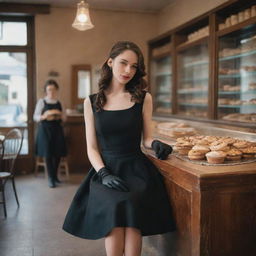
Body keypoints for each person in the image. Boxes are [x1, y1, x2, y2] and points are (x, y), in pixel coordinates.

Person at [62, 41, 176, 256]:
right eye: (123, 63)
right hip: (105, 170)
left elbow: (147, 140)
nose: (128, 71)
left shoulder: (143, 98)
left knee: (131, 206)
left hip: (136, 168)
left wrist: (157, 144)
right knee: (115, 208)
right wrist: (103, 173)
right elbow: (92, 148)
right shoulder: (92, 101)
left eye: (134, 66)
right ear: (110, 62)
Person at [33, 79, 67, 188]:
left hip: (57, 129)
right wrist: (45, 115)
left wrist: (60, 115)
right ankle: (51, 178)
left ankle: (55, 177)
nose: (51, 92)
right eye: (49, 89)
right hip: (45, 130)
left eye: (53, 89)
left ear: (56, 90)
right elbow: (35, 117)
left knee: (57, 153)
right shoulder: (41, 102)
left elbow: (65, 118)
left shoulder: (60, 102)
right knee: (48, 154)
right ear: (46, 90)